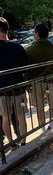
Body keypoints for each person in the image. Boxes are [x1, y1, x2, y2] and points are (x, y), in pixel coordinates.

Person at [26, 24, 53, 130]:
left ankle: (42, 127)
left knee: (39, 105)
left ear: (36, 34)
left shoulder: (30, 49)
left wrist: (28, 81)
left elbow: (27, 68)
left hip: (36, 81)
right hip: (51, 80)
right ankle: (51, 123)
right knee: (52, 103)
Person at [0, 17, 28, 149]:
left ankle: (12, 144)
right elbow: (26, 66)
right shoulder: (17, 47)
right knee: (21, 115)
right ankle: (23, 142)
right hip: (18, 87)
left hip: (2, 89)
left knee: (5, 117)